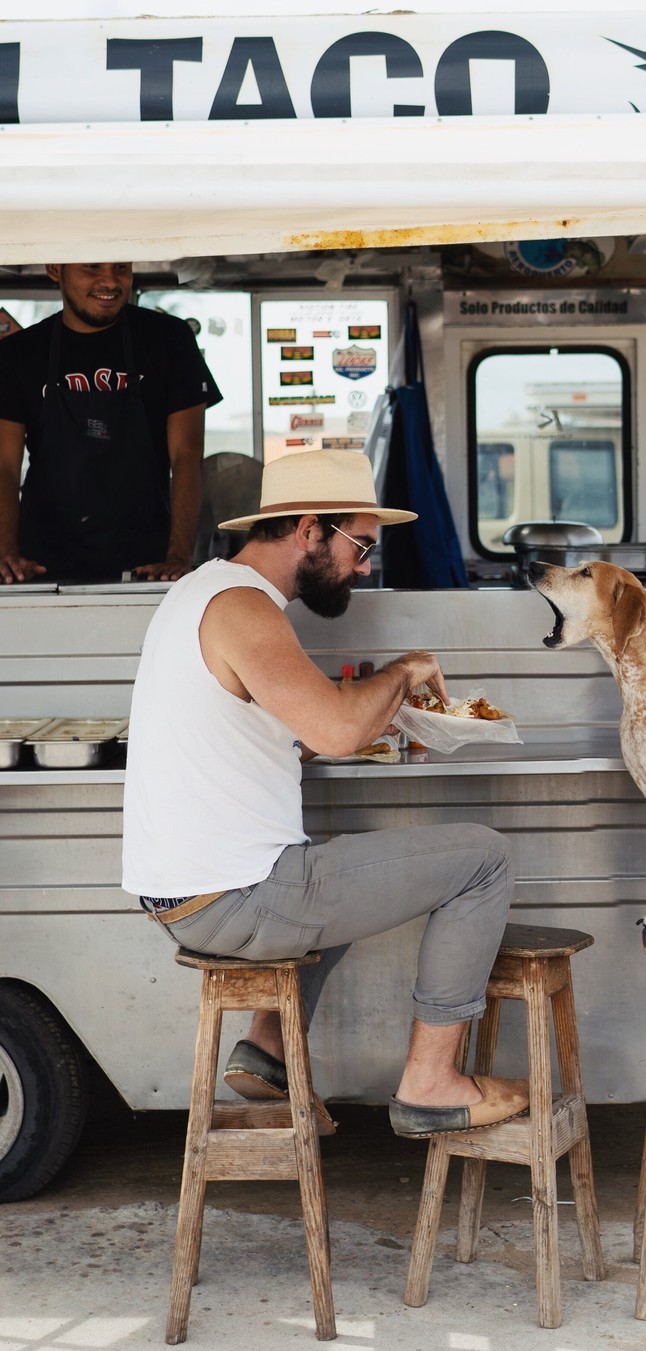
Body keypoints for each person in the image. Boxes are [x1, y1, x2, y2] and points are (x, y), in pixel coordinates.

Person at [121, 447, 527, 1138]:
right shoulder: (245, 609)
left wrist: (382, 709)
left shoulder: (202, 591)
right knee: (483, 858)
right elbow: (338, 731)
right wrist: (401, 673)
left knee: (335, 869)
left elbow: (300, 727)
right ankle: (431, 1081)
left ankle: (267, 1046)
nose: (364, 565)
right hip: (236, 897)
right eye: (359, 544)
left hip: (187, 892)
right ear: (310, 529)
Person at [0, 262, 221, 584]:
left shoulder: (170, 340)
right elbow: (5, 465)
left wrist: (178, 556)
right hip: (43, 565)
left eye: (121, 267)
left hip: (148, 564)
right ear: (54, 269)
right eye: (91, 267)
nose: (110, 280)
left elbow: (187, 455)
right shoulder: (18, 353)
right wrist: (7, 553)